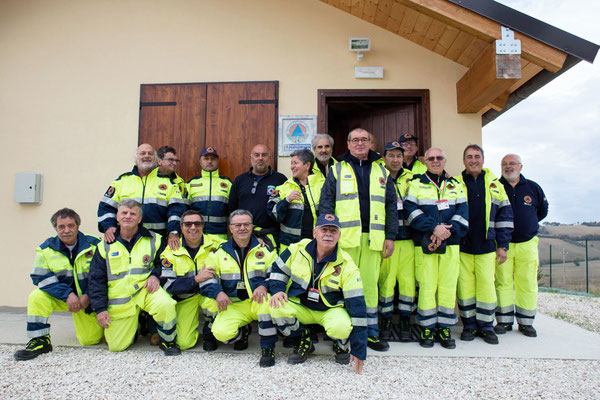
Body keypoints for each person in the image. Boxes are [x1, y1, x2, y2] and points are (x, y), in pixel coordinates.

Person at [319, 127, 398, 352]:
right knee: (342, 287)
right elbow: (326, 204)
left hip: (374, 239)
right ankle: (342, 335)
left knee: (370, 287)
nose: (360, 143)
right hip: (344, 241)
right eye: (356, 140)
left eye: (365, 140)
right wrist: (327, 235)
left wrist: (390, 236)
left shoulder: (381, 170)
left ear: (371, 143)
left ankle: (370, 333)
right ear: (348, 144)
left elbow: (391, 205)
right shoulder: (336, 169)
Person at [269, 214, 367, 374]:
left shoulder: (347, 264)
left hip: (330, 310)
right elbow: (277, 269)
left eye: (333, 231)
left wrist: (359, 349)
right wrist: (277, 290)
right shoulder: (297, 249)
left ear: (339, 235)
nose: (328, 234)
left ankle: (341, 343)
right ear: (315, 232)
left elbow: (358, 306)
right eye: (324, 230)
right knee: (275, 307)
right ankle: (303, 339)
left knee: (341, 327)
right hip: (302, 306)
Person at [88, 200, 180, 355]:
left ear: (139, 219)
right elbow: (96, 279)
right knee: (116, 346)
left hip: (145, 291)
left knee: (166, 304)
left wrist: (155, 276)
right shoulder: (104, 245)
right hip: (120, 298)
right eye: (124, 213)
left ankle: (168, 341)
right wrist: (101, 308)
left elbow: (164, 264)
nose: (128, 216)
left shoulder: (155, 239)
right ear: (117, 217)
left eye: (132, 214)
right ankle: (138, 326)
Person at [14, 209, 104, 361]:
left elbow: (103, 275)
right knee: (37, 296)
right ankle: (40, 340)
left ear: (78, 226)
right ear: (56, 228)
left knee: (90, 340)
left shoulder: (95, 245)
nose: (66, 230)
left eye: (71, 225)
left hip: (88, 302)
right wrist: (67, 294)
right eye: (61, 227)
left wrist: (88, 295)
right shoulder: (46, 249)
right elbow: (39, 276)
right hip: (64, 299)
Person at [404, 147, 469, 349]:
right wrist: (434, 228)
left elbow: (463, 211)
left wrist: (447, 232)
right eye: (431, 158)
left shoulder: (456, 185)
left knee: (448, 286)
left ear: (445, 160)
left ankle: (445, 327)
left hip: (451, 243)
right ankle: (427, 328)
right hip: (426, 242)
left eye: (439, 157)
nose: (435, 161)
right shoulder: (415, 184)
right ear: (425, 161)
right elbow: (410, 211)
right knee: (427, 286)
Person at [200, 209, 279, 367]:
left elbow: (277, 275)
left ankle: (268, 350)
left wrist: (264, 285)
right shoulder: (218, 253)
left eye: (246, 224)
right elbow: (206, 280)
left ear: (252, 227)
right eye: (237, 225)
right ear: (230, 228)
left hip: (257, 300)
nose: (242, 228)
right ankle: (243, 334)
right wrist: (218, 293)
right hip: (233, 305)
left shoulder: (266, 250)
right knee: (221, 333)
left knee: (267, 305)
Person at [456, 145, 514, 345]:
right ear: (463, 161)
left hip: (487, 245)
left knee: (487, 287)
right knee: (465, 287)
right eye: (469, 157)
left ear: (483, 159)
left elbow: (505, 216)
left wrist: (502, 245)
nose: (473, 160)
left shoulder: (495, 185)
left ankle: (486, 326)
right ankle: (469, 325)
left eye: (477, 156)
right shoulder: (455, 183)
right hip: (462, 245)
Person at [495, 154, 548, 338]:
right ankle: (504, 321)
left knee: (527, 283)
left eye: (512, 164)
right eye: (505, 164)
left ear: (520, 166)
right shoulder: (495, 186)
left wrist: (528, 224)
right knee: (503, 282)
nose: (509, 167)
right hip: (503, 244)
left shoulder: (533, 188)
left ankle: (526, 323)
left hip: (527, 242)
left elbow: (542, 210)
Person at [97, 143, 186, 251]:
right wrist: (109, 226)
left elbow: (177, 211)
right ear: (136, 158)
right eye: (142, 153)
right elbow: (106, 206)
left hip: (157, 242)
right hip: (126, 242)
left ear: (156, 159)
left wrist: (174, 232)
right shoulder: (122, 181)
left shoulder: (169, 184)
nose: (146, 156)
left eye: (150, 153)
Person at [159, 210, 224, 351]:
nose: (193, 227)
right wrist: (195, 279)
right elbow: (168, 285)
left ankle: (210, 334)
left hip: (209, 294)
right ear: (181, 227)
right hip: (186, 298)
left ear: (203, 226)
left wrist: (260, 240)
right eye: (188, 224)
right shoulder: (170, 252)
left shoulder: (216, 244)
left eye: (197, 224)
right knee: (184, 343)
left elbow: (240, 243)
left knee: (216, 304)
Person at [377, 142, 415, 341]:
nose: (395, 160)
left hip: (408, 238)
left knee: (408, 281)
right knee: (386, 281)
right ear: (384, 158)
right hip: (385, 239)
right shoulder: (378, 178)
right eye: (391, 156)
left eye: (399, 156)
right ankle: (386, 320)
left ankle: (406, 320)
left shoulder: (413, 178)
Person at [229, 144, 286, 247]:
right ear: (251, 158)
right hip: (243, 235)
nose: (260, 158)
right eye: (257, 155)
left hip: (271, 236)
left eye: (264, 155)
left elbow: (284, 209)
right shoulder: (240, 180)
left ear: (269, 158)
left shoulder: (280, 180)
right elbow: (232, 208)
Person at [267, 149, 324, 252]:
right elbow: (273, 214)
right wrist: (287, 200)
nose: (292, 166)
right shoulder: (283, 188)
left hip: (316, 244)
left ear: (307, 165)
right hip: (290, 246)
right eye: (291, 163)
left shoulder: (322, 185)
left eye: (295, 163)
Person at [187, 147, 232, 241]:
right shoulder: (191, 184)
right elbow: (184, 211)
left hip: (221, 237)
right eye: (206, 158)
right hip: (196, 237)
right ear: (200, 161)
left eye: (213, 158)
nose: (210, 161)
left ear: (218, 161)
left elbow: (233, 211)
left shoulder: (227, 184)